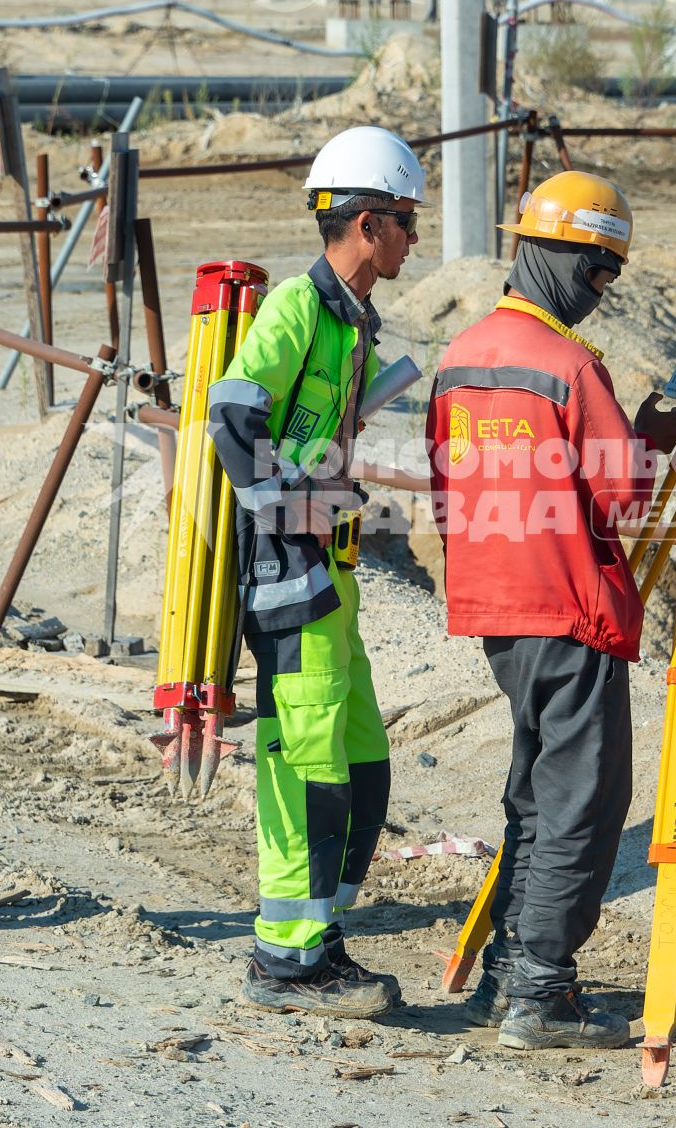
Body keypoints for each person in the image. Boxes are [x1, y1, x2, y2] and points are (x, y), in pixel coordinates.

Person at [426, 171, 676, 1049]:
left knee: (538, 794)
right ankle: (541, 990)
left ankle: (509, 972)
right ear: (565, 256)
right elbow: (625, 496)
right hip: (569, 605)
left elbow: (444, 493)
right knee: (582, 797)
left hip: (495, 604)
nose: (602, 293)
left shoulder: (460, 356)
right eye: (602, 272)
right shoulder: (571, 367)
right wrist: (656, 428)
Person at [209, 125, 425, 1017]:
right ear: (367, 223)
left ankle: (322, 935)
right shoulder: (301, 307)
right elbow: (231, 415)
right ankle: (288, 959)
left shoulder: (350, 320)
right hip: (289, 576)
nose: (415, 237)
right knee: (304, 763)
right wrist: (292, 502)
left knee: (361, 762)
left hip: (328, 578)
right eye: (407, 220)